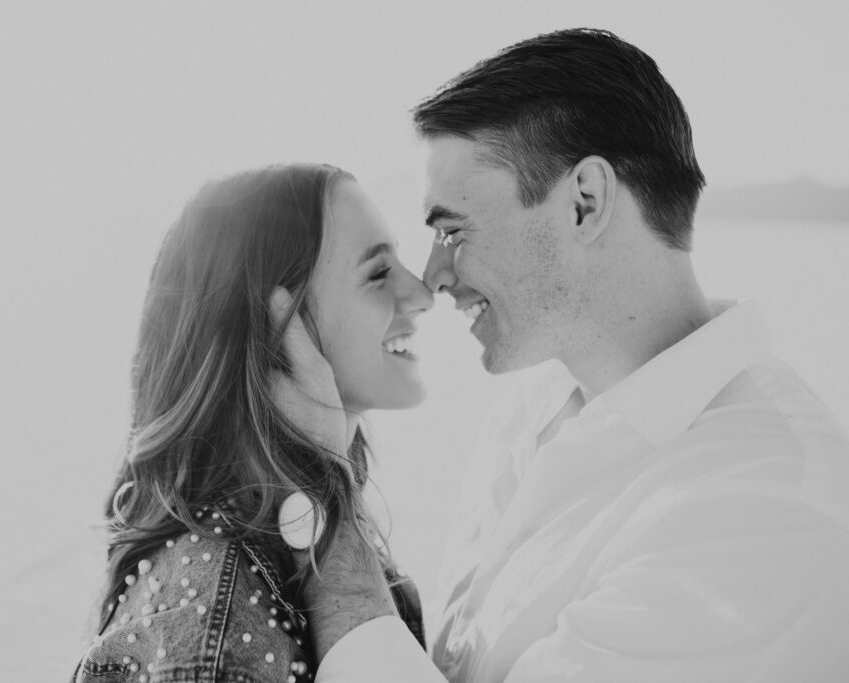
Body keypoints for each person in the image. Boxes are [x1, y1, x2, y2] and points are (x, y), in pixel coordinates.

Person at [279, 28, 849, 682]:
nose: (433, 276)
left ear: (585, 203)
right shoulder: (529, 408)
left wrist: (323, 506)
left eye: (451, 230)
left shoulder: (767, 513)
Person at [71, 163, 433, 682]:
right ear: (273, 328)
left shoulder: (307, 548)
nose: (421, 293)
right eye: (377, 273)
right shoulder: (215, 617)